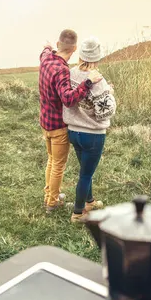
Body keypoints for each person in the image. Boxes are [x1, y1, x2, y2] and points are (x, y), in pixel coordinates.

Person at [39, 29, 102, 213]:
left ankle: (50, 194)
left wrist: (48, 47)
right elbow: (68, 98)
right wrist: (88, 82)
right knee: (58, 165)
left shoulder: (46, 58)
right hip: (58, 125)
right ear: (74, 49)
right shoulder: (62, 70)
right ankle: (52, 202)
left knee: (51, 161)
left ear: (58, 45)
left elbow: (44, 50)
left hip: (45, 122)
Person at [63, 37, 116, 223]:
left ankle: (90, 202)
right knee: (86, 174)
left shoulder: (70, 73)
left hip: (73, 132)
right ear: (97, 58)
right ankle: (78, 213)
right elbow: (104, 113)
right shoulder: (98, 80)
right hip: (92, 135)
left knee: (86, 170)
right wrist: (109, 93)